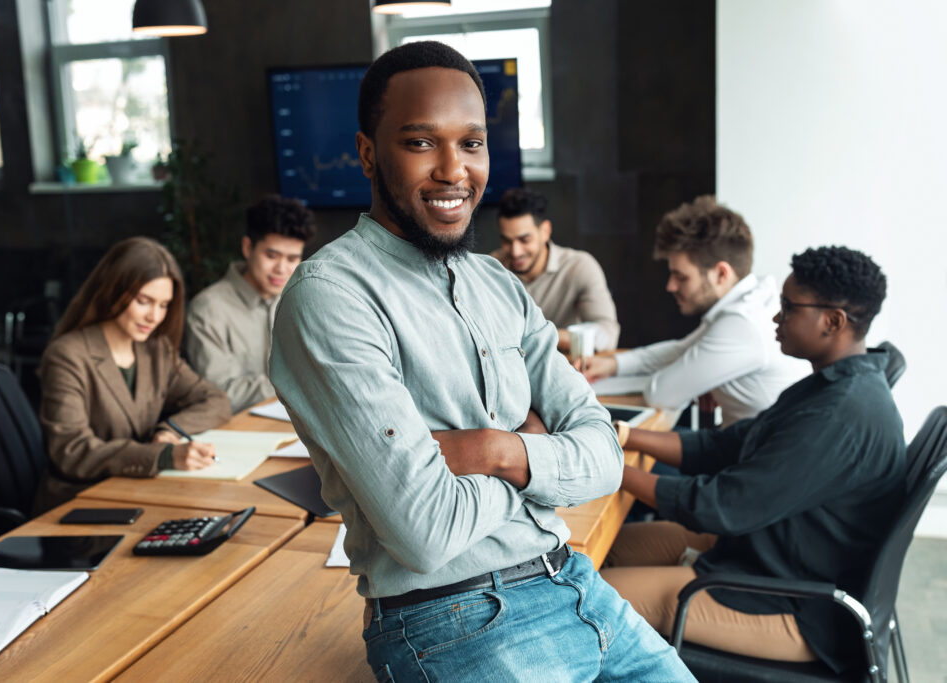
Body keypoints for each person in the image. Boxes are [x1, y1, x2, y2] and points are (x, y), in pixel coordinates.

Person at [270, 41, 692, 681]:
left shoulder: (498, 283)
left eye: (471, 143)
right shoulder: (331, 296)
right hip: (454, 623)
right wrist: (542, 460)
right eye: (420, 143)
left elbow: (605, 459)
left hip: (577, 583)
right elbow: (425, 531)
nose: (453, 169)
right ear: (366, 154)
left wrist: (496, 452)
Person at [600, 246, 906, 675]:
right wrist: (623, 435)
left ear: (832, 321)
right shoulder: (833, 383)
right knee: (602, 552)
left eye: (788, 307)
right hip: (765, 555)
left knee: (584, 603)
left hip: (794, 603)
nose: (776, 318)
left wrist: (607, 469)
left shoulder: (841, 413)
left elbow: (721, 505)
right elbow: (729, 445)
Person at [36, 237, 231, 511]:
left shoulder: (156, 349)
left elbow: (215, 400)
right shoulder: (68, 355)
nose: (154, 316)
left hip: (142, 491)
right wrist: (162, 456)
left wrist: (169, 431)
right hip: (82, 503)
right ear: (113, 291)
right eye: (144, 301)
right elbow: (72, 450)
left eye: (164, 305)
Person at [579, 195, 806, 426]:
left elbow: (661, 394)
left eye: (681, 277)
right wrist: (612, 365)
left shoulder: (742, 323)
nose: (670, 286)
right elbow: (681, 350)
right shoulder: (752, 299)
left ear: (721, 274)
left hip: (747, 457)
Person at [185, 195, 316, 412]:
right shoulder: (208, 309)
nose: (282, 269)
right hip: (235, 430)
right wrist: (299, 384)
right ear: (247, 248)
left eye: (292, 259)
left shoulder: (298, 300)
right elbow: (218, 392)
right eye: (272, 255)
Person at [492, 187, 620, 351]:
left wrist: (539, 334)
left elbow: (608, 335)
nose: (516, 251)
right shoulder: (491, 269)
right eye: (507, 241)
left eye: (525, 240)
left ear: (545, 231)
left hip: (570, 368)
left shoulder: (579, 267)